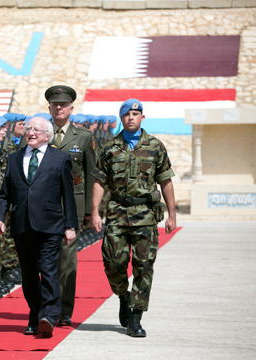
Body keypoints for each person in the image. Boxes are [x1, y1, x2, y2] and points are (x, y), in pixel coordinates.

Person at [90, 98, 176, 338]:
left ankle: (136, 317)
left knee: (144, 266)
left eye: (136, 114)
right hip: (117, 214)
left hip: (146, 216)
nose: (131, 118)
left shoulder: (156, 147)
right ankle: (123, 295)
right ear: (121, 118)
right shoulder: (110, 148)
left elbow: (166, 180)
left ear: (142, 118)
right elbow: (99, 181)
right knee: (113, 263)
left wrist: (172, 214)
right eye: (127, 114)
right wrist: (96, 212)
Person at [0, 116, 78, 338]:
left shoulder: (60, 159)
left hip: (50, 225)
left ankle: (48, 316)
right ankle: (35, 314)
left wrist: (70, 225)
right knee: (29, 274)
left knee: (48, 270)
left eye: (37, 130)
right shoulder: (14, 158)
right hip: (22, 225)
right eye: (29, 128)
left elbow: (67, 196)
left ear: (47, 136)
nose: (31, 132)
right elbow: (5, 193)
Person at [45, 85, 96, 327]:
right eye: (55, 104)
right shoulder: (41, 133)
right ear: (49, 108)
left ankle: (64, 310)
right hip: (44, 207)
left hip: (71, 208)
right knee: (45, 261)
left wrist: (88, 211)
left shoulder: (83, 137)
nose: (59, 108)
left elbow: (90, 175)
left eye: (63, 105)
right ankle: (47, 308)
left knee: (67, 261)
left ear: (71, 108)